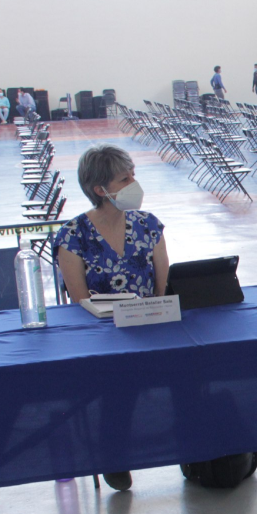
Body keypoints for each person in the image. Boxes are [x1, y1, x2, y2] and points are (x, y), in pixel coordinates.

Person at [54, 144, 169, 492]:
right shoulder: (74, 236)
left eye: (133, 174)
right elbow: (79, 301)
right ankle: (114, 452)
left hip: (149, 326)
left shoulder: (148, 225)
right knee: (120, 374)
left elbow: (164, 285)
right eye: (125, 178)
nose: (134, 183)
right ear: (99, 189)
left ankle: (194, 450)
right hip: (102, 333)